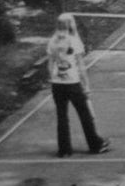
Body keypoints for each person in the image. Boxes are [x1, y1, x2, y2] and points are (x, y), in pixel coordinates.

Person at [47, 13, 110, 158]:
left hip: (57, 84)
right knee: (84, 114)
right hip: (73, 83)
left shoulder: (52, 41)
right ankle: (95, 144)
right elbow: (81, 66)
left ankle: (64, 150)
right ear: (71, 24)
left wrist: (53, 79)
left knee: (61, 116)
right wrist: (86, 85)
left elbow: (50, 64)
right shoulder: (74, 41)